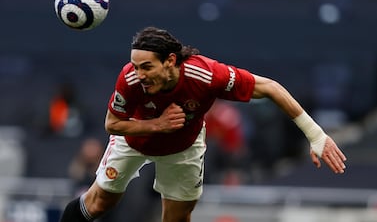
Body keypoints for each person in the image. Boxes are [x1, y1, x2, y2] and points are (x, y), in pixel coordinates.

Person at [59, 26, 347, 222]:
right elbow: (112, 124)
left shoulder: (206, 75)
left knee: (177, 218)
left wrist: (316, 135)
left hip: (183, 148)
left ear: (170, 61)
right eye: (135, 66)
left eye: (147, 66)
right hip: (135, 140)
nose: (140, 74)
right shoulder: (130, 80)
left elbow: (270, 87)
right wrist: (157, 125)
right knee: (98, 204)